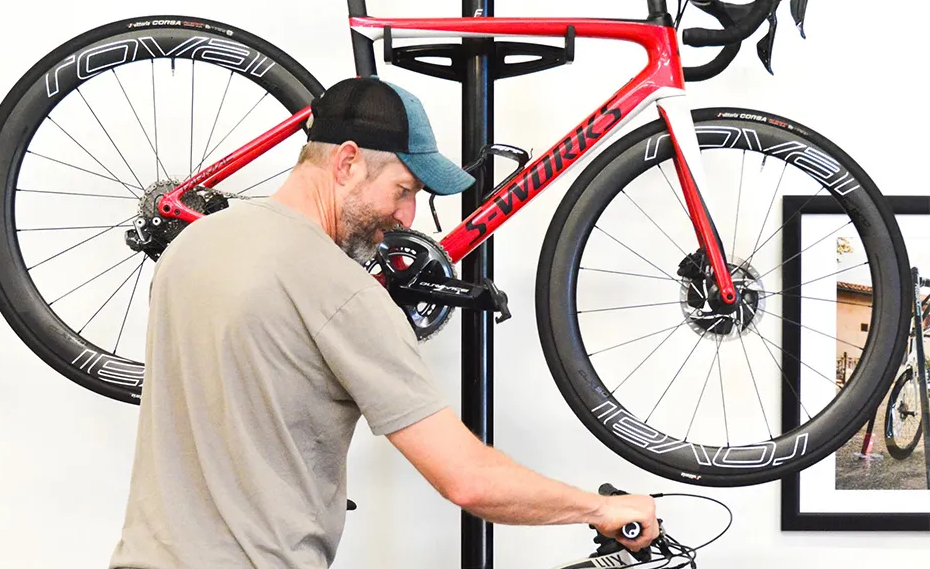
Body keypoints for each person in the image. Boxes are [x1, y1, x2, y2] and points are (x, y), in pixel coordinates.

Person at [108, 76, 658, 569]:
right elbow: (468, 480)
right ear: (346, 162)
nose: (407, 218)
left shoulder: (191, 247)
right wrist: (600, 509)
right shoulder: (341, 292)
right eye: (404, 190)